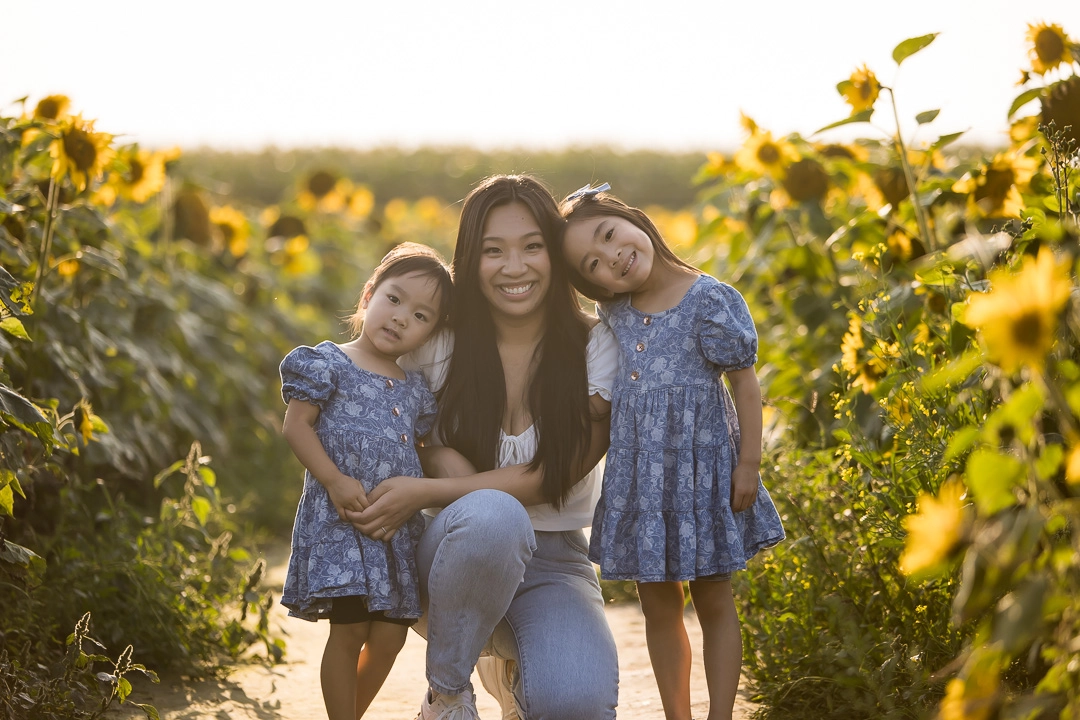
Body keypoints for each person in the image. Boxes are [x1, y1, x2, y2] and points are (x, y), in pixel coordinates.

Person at [349, 175, 620, 720]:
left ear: (555, 252)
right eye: (493, 251)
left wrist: (436, 480)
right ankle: (448, 694)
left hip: (554, 561)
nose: (513, 268)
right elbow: (376, 422)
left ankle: (505, 666)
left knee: (577, 707)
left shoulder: (598, 345)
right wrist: (434, 458)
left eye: (532, 247)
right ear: (469, 260)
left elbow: (554, 475)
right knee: (493, 517)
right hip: (451, 553)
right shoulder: (438, 343)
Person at [558, 183, 785, 720]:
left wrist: (748, 463)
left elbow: (745, 386)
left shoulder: (710, 300)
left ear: (631, 217)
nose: (612, 257)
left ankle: (720, 715)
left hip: (705, 475)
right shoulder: (614, 313)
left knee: (713, 596)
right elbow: (607, 384)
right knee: (659, 602)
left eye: (609, 235)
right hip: (642, 484)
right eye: (593, 264)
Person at [279, 242, 453, 720]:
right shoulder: (329, 362)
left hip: (392, 530)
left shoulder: (416, 388)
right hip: (342, 521)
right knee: (349, 630)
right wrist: (334, 480)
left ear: (431, 334)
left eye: (421, 316)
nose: (400, 318)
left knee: (391, 636)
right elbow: (296, 426)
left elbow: (419, 450)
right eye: (393, 300)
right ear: (368, 296)